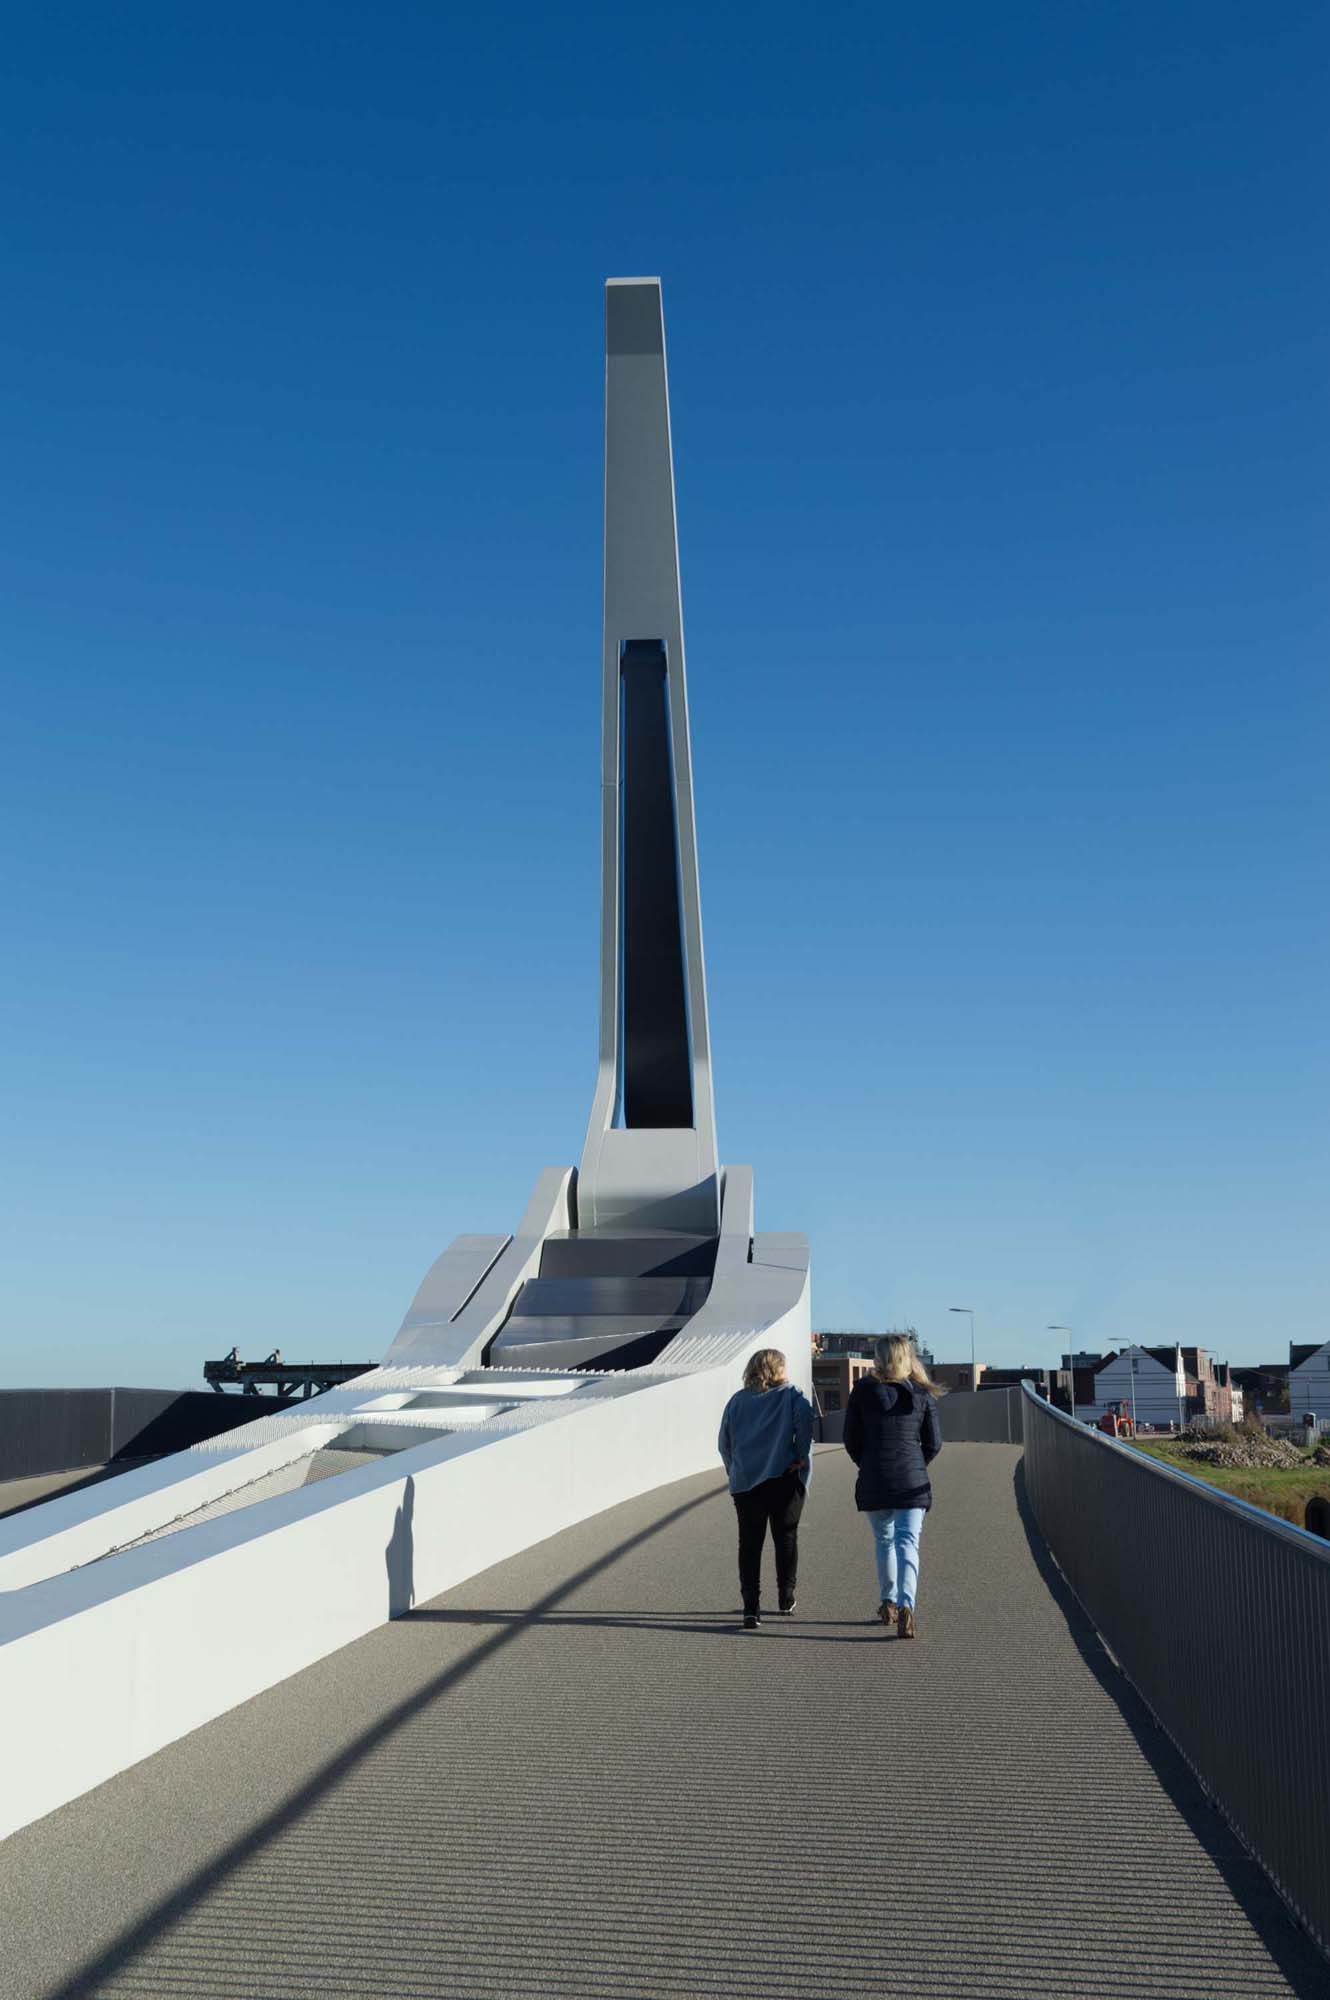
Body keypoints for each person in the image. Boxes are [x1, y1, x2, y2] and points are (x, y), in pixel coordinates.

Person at [843, 1335, 943, 1638]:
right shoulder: (922, 1392)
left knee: (884, 1541)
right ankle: (907, 1607)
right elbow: (934, 1443)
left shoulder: (862, 1390)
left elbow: (851, 1439)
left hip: (874, 1477)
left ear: (879, 1357)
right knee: (907, 1543)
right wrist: (917, 1464)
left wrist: (866, 1463)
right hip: (912, 1482)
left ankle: (888, 1603)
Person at [717, 1348, 814, 1630]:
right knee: (786, 1538)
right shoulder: (792, 1395)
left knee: (749, 1545)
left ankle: (751, 1608)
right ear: (779, 1369)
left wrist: (735, 1470)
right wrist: (800, 1459)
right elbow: (805, 1430)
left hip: (746, 1483)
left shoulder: (737, 1401)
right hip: (784, 1477)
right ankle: (786, 1596)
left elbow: (724, 1443)